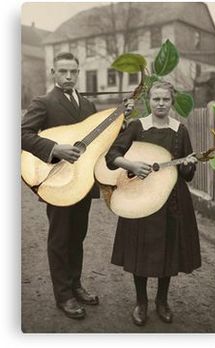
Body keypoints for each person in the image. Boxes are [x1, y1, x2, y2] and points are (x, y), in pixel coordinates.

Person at [22, 52, 133, 320]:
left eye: (73, 71)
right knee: (60, 238)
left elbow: (102, 138)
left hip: (82, 181)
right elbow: (21, 134)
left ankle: (75, 285)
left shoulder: (87, 104)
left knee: (77, 236)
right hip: (57, 181)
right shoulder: (44, 102)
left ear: (78, 72)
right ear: (53, 73)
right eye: (63, 72)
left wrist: (123, 117)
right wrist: (54, 148)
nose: (68, 76)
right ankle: (64, 296)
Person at [105, 80, 201, 326]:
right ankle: (141, 302)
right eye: (156, 99)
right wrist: (132, 165)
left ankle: (162, 301)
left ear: (172, 101)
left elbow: (187, 174)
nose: (160, 104)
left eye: (165, 99)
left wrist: (189, 166)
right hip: (140, 198)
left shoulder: (180, 129)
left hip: (172, 200)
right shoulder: (138, 127)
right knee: (140, 250)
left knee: (168, 250)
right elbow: (112, 156)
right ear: (149, 100)